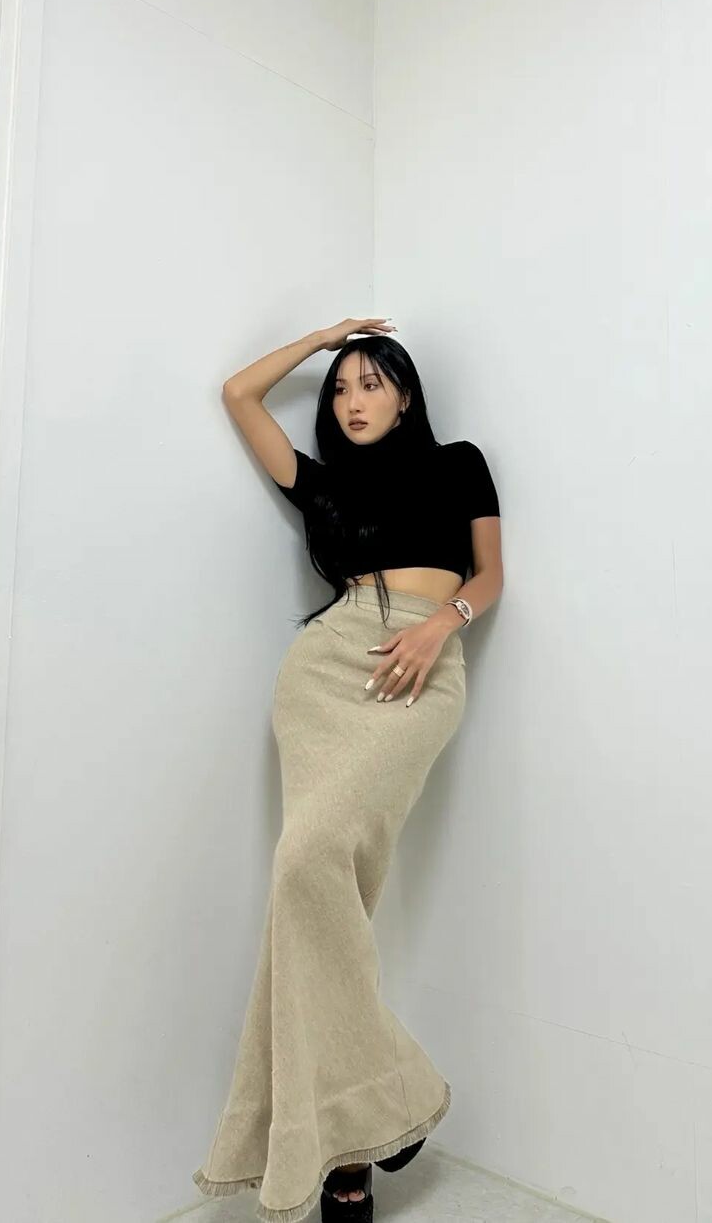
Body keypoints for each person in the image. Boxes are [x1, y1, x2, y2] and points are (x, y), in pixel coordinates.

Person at [191, 317, 504, 1223]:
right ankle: (355, 1151)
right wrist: (325, 336)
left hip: (419, 666)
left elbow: (490, 576)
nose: (352, 399)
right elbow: (239, 393)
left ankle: (368, 1116)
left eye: (371, 382)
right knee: (311, 883)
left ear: (406, 395)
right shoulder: (320, 484)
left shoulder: (458, 462)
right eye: (340, 388)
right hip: (324, 673)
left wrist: (442, 623)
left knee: (309, 868)